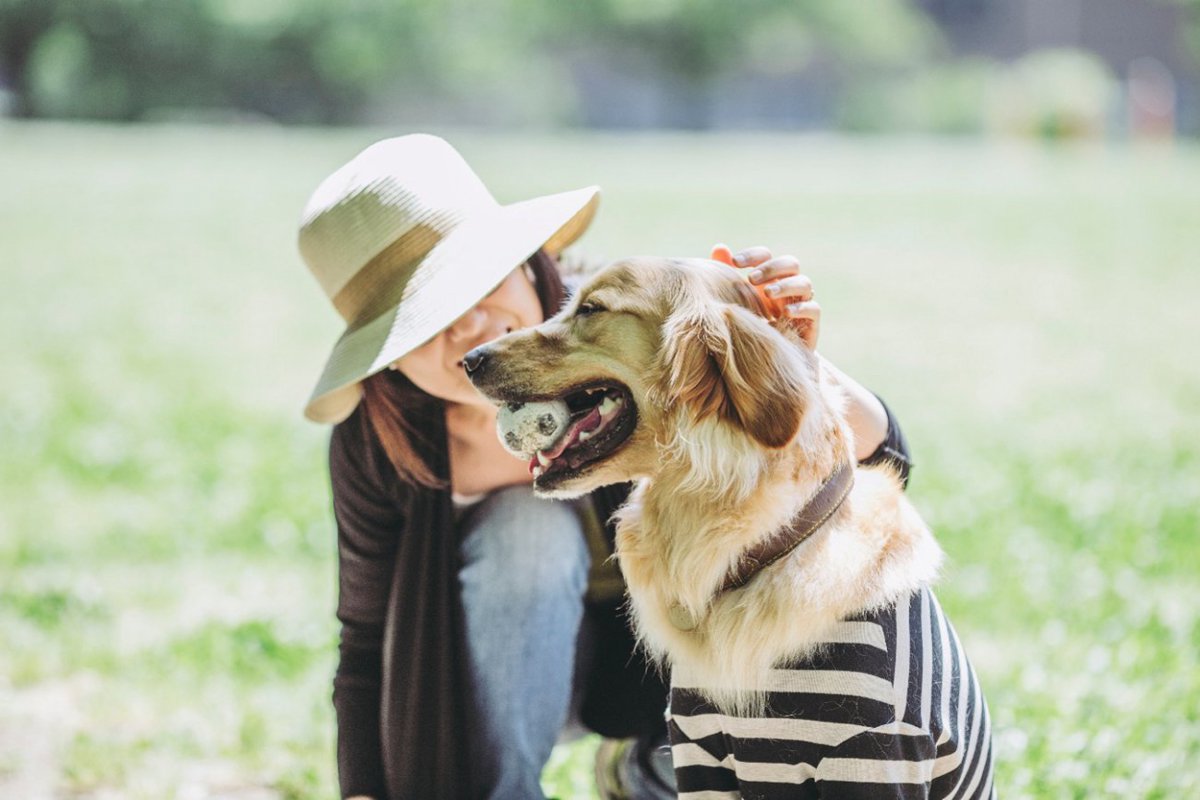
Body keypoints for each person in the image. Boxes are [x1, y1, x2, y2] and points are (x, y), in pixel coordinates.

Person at [296, 134, 912, 800]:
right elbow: (363, 637)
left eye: (479, 282)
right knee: (525, 528)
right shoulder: (380, 440)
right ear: (385, 357)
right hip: (487, 685)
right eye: (423, 321)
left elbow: (881, 457)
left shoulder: (619, 314)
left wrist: (792, 362)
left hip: (670, 675)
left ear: (527, 261)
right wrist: (362, 790)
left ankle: (646, 768)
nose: (471, 327)